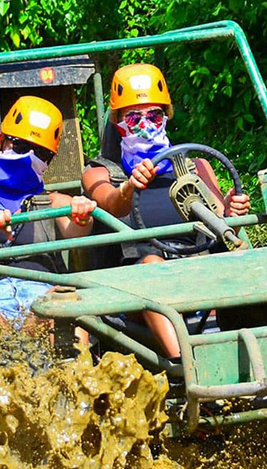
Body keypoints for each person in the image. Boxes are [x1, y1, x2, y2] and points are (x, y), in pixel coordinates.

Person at [82, 63, 251, 360]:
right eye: (134, 117)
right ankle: (187, 365)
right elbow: (111, 203)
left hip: (196, 270)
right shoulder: (101, 172)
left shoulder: (196, 168)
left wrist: (232, 214)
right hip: (136, 288)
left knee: (248, 264)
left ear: (166, 118)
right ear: (119, 122)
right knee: (151, 266)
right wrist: (130, 187)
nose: (145, 125)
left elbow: (221, 230)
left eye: (154, 116)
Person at [0, 95, 97, 344]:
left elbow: (77, 229)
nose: (28, 156)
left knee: (65, 296)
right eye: (19, 146)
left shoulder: (51, 201)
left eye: (40, 153)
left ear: (49, 161)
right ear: (1, 141)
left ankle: (77, 374)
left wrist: (82, 214)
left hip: (39, 306)